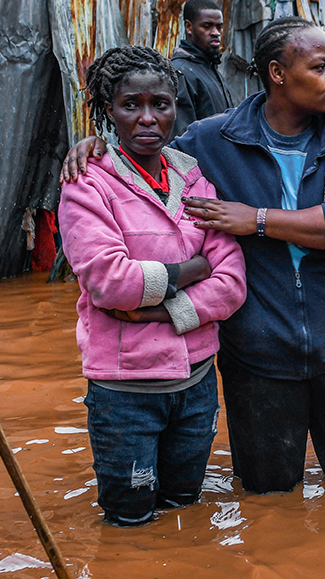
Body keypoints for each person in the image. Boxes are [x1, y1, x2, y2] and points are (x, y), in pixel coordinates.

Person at [62, 18, 325, 496]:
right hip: (257, 357)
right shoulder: (211, 141)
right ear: (277, 73)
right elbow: (145, 159)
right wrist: (95, 144)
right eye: (321, 66)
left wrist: (255, 219)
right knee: (269, 502)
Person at [58, 47, 247, 526]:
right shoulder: (88, 182)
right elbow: (108, 281)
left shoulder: (192, 176)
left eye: (160, 104)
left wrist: (162, 311)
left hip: (197, 383)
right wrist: (192, 269)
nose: (147, 118)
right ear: (108, 111)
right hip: (125, 393)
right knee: (129, 520)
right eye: (131, 105)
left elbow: (232, 283)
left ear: (174, 109)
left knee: (186, 508)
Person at [170, 0, 231, 136]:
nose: (216, 33)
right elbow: (182, 137)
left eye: (219, 27)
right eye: (207, 26)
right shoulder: (180, 73)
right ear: (189, 27)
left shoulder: (211, 70)